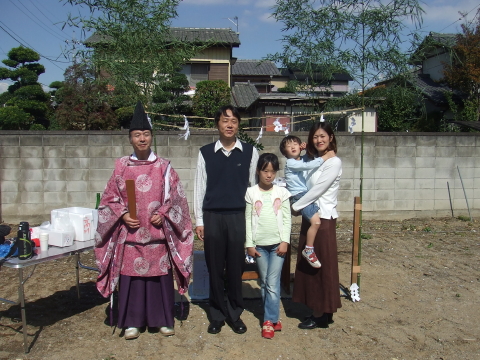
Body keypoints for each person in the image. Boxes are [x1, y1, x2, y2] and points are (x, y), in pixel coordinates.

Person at [94, 101, 194, 340]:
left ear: (152, 137)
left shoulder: (164, 167)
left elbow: (177, 198)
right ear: (130, 138)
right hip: (131, 236)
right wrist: (123, 214)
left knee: (159, 280)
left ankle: (163, 320)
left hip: (158, 236)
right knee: (132, 281)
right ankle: (131, 322)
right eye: (137, 135)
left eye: (146, 134)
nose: (142, 139)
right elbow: (109, 199)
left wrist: (165, 213)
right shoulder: (121, 166)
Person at [194, 105, 259, 334]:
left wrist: (253, 221)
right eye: (224, 120)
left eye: (233, 121)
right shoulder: (205, 153)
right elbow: (199, 188)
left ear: (238, 125)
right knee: (214, 267)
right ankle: (216, 314)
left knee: (235, 267)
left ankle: (235, 313)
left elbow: (253, 190)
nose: (229, 125)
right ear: (217, 124)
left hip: (238, 216)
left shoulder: (250, 152)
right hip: (212, 217)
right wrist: (199, 220)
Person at [291, 121, 342, 329]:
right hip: (311, 216)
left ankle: (320, 313)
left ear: (330, 137)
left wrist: (297, 205)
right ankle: (322, 310)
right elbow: (301, 175)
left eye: (323, 136)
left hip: (322, 219)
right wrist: (301, 152)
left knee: (320, 267)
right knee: (313, 265)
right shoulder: (316, 160)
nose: (319, 140)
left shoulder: (334, 162)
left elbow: (318, 189)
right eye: (315, 137)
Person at [245, 153, 291, 339]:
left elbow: (287, 219)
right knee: (265, 283)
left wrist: (285, 241)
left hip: (278, 246)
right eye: (265, 171)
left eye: (272, 171)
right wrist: (249, 244)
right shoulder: (251, 192)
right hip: (260, 246)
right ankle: (274, 318)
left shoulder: (282, 193)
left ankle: (268, 320)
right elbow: (248, 220)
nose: (269, 175)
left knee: (272, 282)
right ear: (258, 171)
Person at [280, 135, 335, 268]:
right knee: (316, 222)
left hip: (305, 195)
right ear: (284, 152)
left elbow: (307, 159)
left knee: (315, 221)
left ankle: (309, 248)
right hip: (299, 196)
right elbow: (308, 165)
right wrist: (325, 157)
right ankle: (308, 249)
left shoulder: (300, 160)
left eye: (295, 143)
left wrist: (306, 149)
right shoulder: (290, 163)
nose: (293, 146)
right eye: (289, 145)